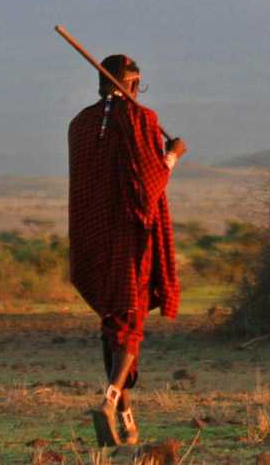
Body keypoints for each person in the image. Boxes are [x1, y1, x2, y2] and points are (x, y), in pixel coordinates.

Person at [67, 54, 185, 447]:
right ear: (132, 84)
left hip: (91, 238)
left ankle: (128, 422)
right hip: (128, 237)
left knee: (112, 324)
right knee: (129, 323)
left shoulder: (80, 125)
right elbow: (150, 184)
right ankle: (110, 399)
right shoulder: (141, 119)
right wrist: (172, 155)